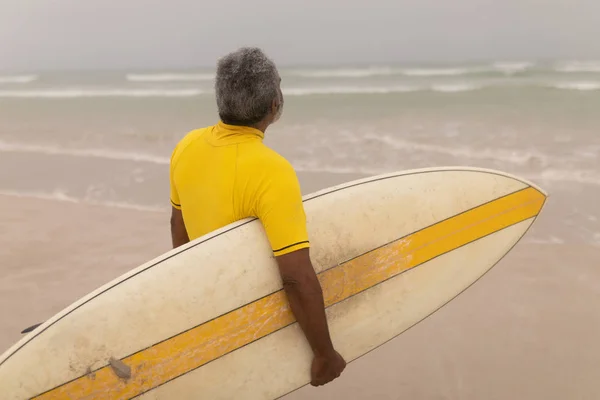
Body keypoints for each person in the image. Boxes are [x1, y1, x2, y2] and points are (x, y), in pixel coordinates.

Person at [169, 47, 346, 387]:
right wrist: (324, 354)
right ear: (274, 106)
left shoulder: (186, 146)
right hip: (246, 322)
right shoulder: (272, 171)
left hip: (207, 309)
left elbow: (179, 226)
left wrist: (189, 290)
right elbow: (295, 277)